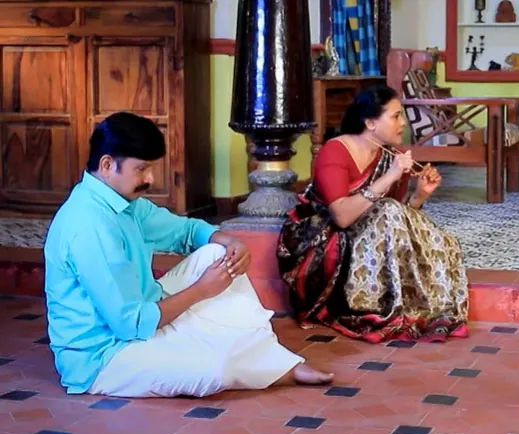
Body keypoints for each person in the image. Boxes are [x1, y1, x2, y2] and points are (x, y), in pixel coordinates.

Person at [43, 112, 333, 398]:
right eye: (141, 169)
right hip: (104, 356)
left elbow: (184, 230)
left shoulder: (123, 202)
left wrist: (227, 239)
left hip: (146, 314)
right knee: (214, 371)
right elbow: (131, 325)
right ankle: (270, 367)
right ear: (107, 165)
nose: (150, 178)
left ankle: (274, 360)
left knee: (218, 254)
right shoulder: (89, 226)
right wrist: (201, 291)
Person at [277, 84, 469, 343]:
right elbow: (342, 217)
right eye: (396, 116)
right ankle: (373, 308)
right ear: (370, 122)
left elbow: (395, 223)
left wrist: (419, 195)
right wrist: (390, 176)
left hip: (368, 239)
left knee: (446, 241)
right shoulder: (335, 150)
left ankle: (433, 310)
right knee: (388, 209)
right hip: (323, 240)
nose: (403, 123)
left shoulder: (392, 156)